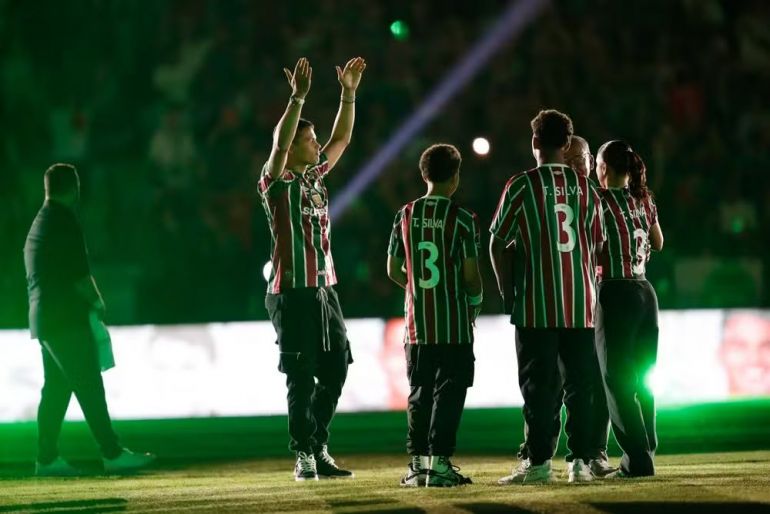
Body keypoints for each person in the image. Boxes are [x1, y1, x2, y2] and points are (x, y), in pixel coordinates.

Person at [259, 57, 365, 481]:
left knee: (336, 368)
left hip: (325, 290)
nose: (317, 144)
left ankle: (317, 444)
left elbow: (342, 138)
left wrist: (349, 93)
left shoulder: (315, 179)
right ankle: (302, 453)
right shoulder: (277, 181)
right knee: (300, 376)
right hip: (291, 292)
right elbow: (279, 145)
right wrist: (298, 98)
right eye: (310, 138)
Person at [490, 110, 606, 484]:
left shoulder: (522, 185)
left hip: (535, 304)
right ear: (568, 144)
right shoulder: (587, 188)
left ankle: (539, 464)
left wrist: (507, 289)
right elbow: (598, 242)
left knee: (539, 388)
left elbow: (496, 240)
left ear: (535, 142)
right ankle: (581, 463)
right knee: (581, 386)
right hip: (580, 304)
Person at [24, 163, 155, 476]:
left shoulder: (41, 221)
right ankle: (111, 452)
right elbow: (78, 273)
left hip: (45, 319)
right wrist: (97, 300)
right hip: (65, 318)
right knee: (89, 385)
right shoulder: (63, 220)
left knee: (56, 390)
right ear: (75, 187)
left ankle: (46, 458)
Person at [513, 134, 615, 478]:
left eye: (579, 160)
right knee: (557, 385)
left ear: (590, 161)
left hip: (586, 303)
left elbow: (503, 240)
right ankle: (554, 456)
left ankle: (588, 454)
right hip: (577, 303)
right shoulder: (588, 195)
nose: (573, 166)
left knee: (584, 384)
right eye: (568, 159)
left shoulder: (539, 186)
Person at [387, 144, 482, 488]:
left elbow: (392, 269)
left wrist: (416, 289)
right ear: (455, 177)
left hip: (417, 327)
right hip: (453, 324)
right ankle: (440, 464)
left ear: (423, 174)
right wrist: (475, 300)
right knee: (450, 392)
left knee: (419, 392)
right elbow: (471, 274)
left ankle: (417, 465)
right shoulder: (463, 219)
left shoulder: (405, 215)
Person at [594, 140, 664, 478]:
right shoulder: (644, 200)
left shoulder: (598, 201)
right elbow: (659, 242)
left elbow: (591, 246)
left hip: (616, 291)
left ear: (604, 168)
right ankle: (647, 447)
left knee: (617, 378)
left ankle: (636, 459)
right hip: (645, 292)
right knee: (643, 378)